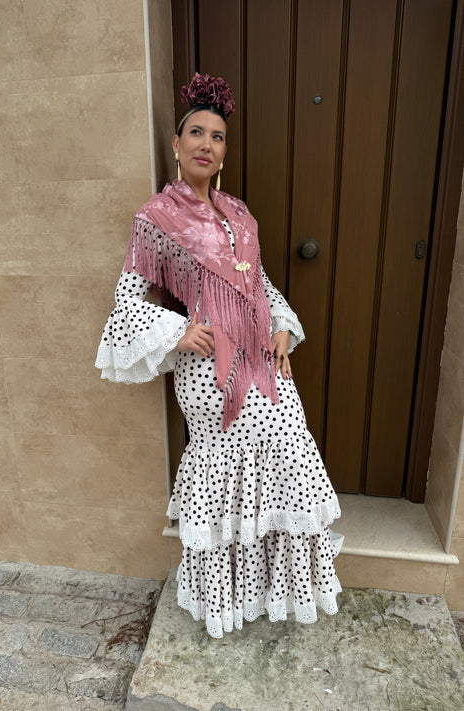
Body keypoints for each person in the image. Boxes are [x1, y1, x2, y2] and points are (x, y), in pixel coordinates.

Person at [96, 73, 343, 639]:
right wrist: (177, 332)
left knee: (288, 455)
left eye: (218, 136)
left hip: (264, 362)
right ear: (177, 144)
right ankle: (223, 597)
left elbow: (258, 283)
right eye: (196, 133)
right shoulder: (155, 218)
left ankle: (271, 591)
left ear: (225, 152)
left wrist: (282, 325)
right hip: (210, 372)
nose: (206, 144)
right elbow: (126, 300)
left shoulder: (240, 214)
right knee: (223, 476)